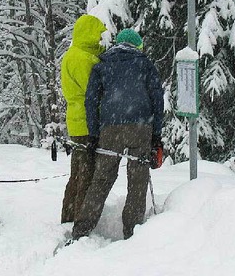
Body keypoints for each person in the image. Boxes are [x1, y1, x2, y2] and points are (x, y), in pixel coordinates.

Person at [72, 28, 164, 241]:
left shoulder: (102, 65)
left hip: (110, 127)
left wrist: (94, 134)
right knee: (137, 179)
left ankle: (82, 230)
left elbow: (91, 101)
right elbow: (157, 100)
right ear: (137, 46)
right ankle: (132, 233)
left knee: (102, 179)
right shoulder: (146, 64)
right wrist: (156, 135)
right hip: (141, 126)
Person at [60, 14, 107, 224]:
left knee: (77, 173)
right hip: (86, 121)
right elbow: (93, 91)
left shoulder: (74, 54)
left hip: (76, 120)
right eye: (98, 34)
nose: (100, 39)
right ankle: (79, 221)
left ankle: (69, 217)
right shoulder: (82, 58)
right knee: (85, 175)